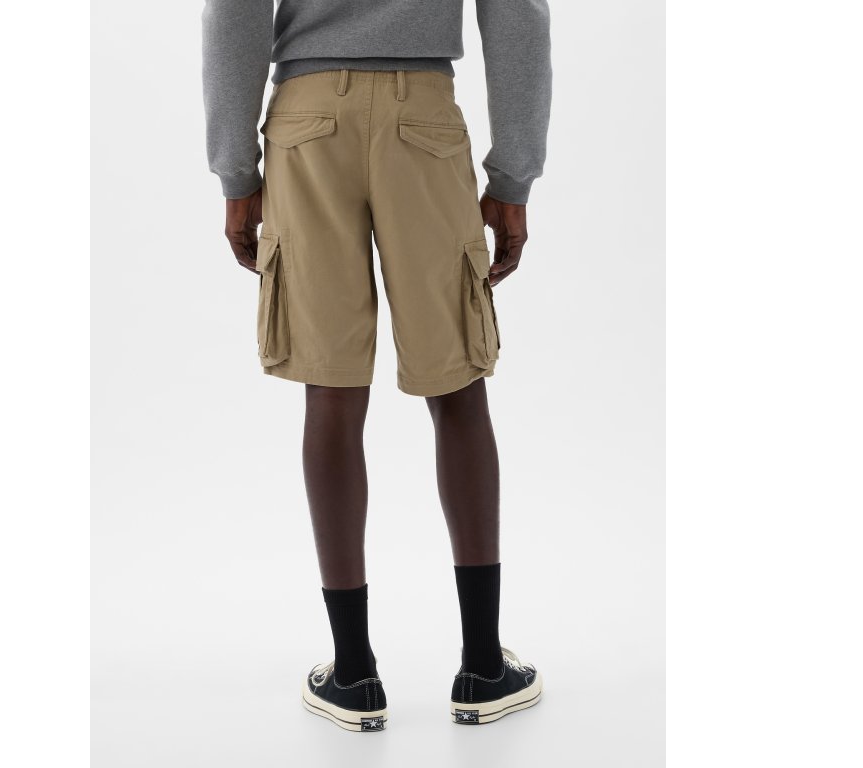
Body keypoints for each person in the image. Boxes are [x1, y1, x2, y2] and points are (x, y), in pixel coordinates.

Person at [202, 0, 551, 731]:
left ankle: (354, 675)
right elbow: (516, 10)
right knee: (457, 385)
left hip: (305, 123)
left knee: (331, 389)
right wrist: (513, 175)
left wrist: (236, 170)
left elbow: (234, 7)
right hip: (422, 117)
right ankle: (483, 668)